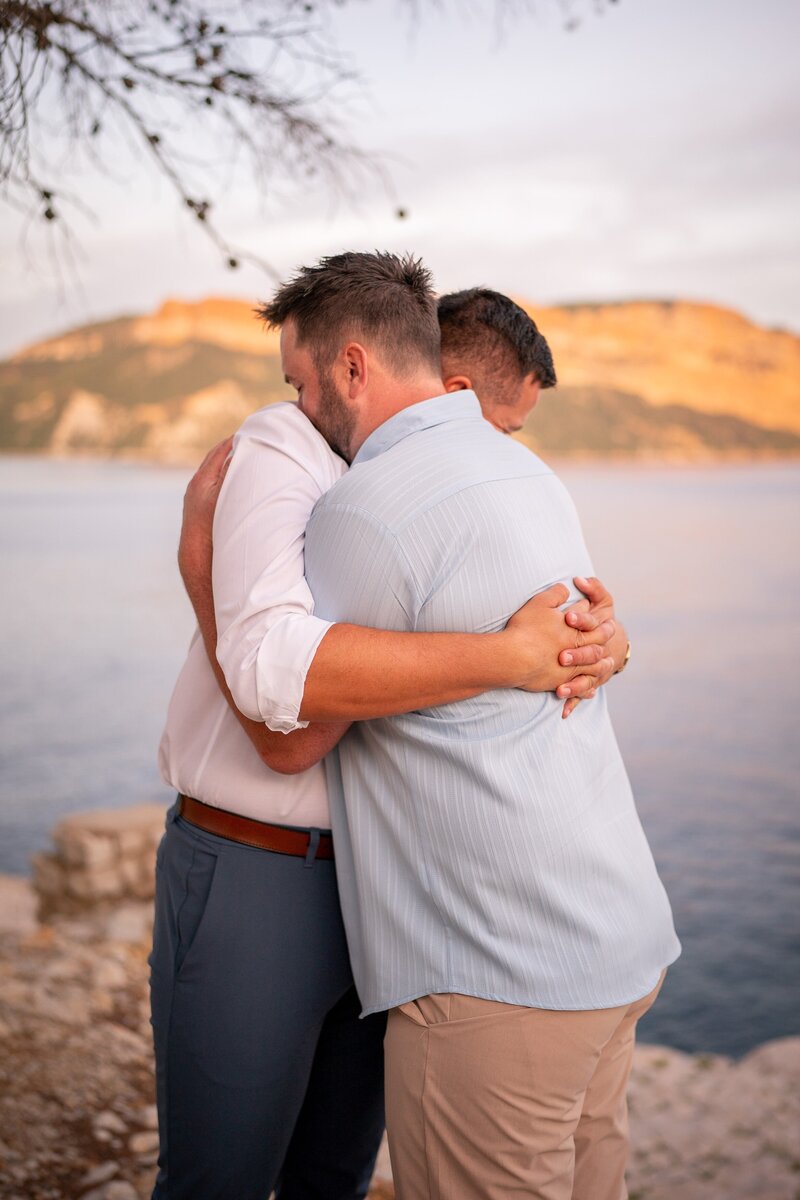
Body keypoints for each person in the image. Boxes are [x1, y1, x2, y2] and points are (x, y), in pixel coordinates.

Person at [184, 251, 680, 1200]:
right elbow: (581, 643)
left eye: (298, 380)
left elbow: (287, 731)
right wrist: (581, 650)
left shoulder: (366, 509)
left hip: (503, 971)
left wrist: (200, 560)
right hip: (616, 938)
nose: (296, 405)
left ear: (354, 367)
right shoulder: (526, 474)